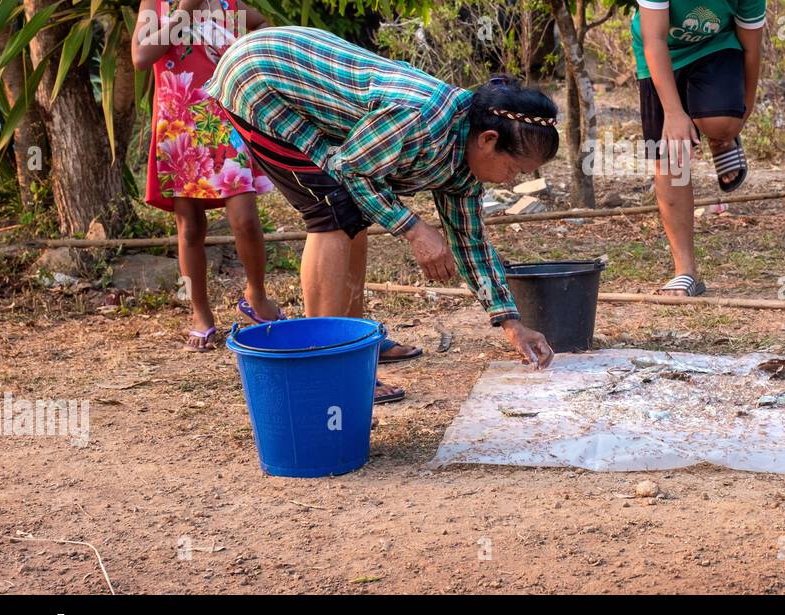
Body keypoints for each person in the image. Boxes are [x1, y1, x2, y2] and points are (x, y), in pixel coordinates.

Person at [208, 26, 557, 402]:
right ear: (489, 140)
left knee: (353, 207)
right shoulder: (420, 118)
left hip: (290, 81)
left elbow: (470, 243)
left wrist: (512, 324)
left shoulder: (465, 162)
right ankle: (325, 366)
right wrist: (414, 228)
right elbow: (354, 170)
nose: (510, 181)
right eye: (515, 170)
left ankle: (354, 343)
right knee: (333, 209)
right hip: (262, 77)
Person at [130, 0, 282, 351]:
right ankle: (200, 311)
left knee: (245, 218)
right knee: (190, 226)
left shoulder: (227, 7)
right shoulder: (154, 4)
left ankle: (256, 294)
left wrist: (255, 69)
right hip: (180, 127)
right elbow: (142, 56)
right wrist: (184, 11)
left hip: (227, 120)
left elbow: (265, 27)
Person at [632, 0, 768, 297]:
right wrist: (673, 112)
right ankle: (685, 271)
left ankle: (722, 139)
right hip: (660, 54)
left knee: (723, 119)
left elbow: (752, 48)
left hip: (716, 45)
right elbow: (654, 38)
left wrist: (744, 110)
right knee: (671, 158)